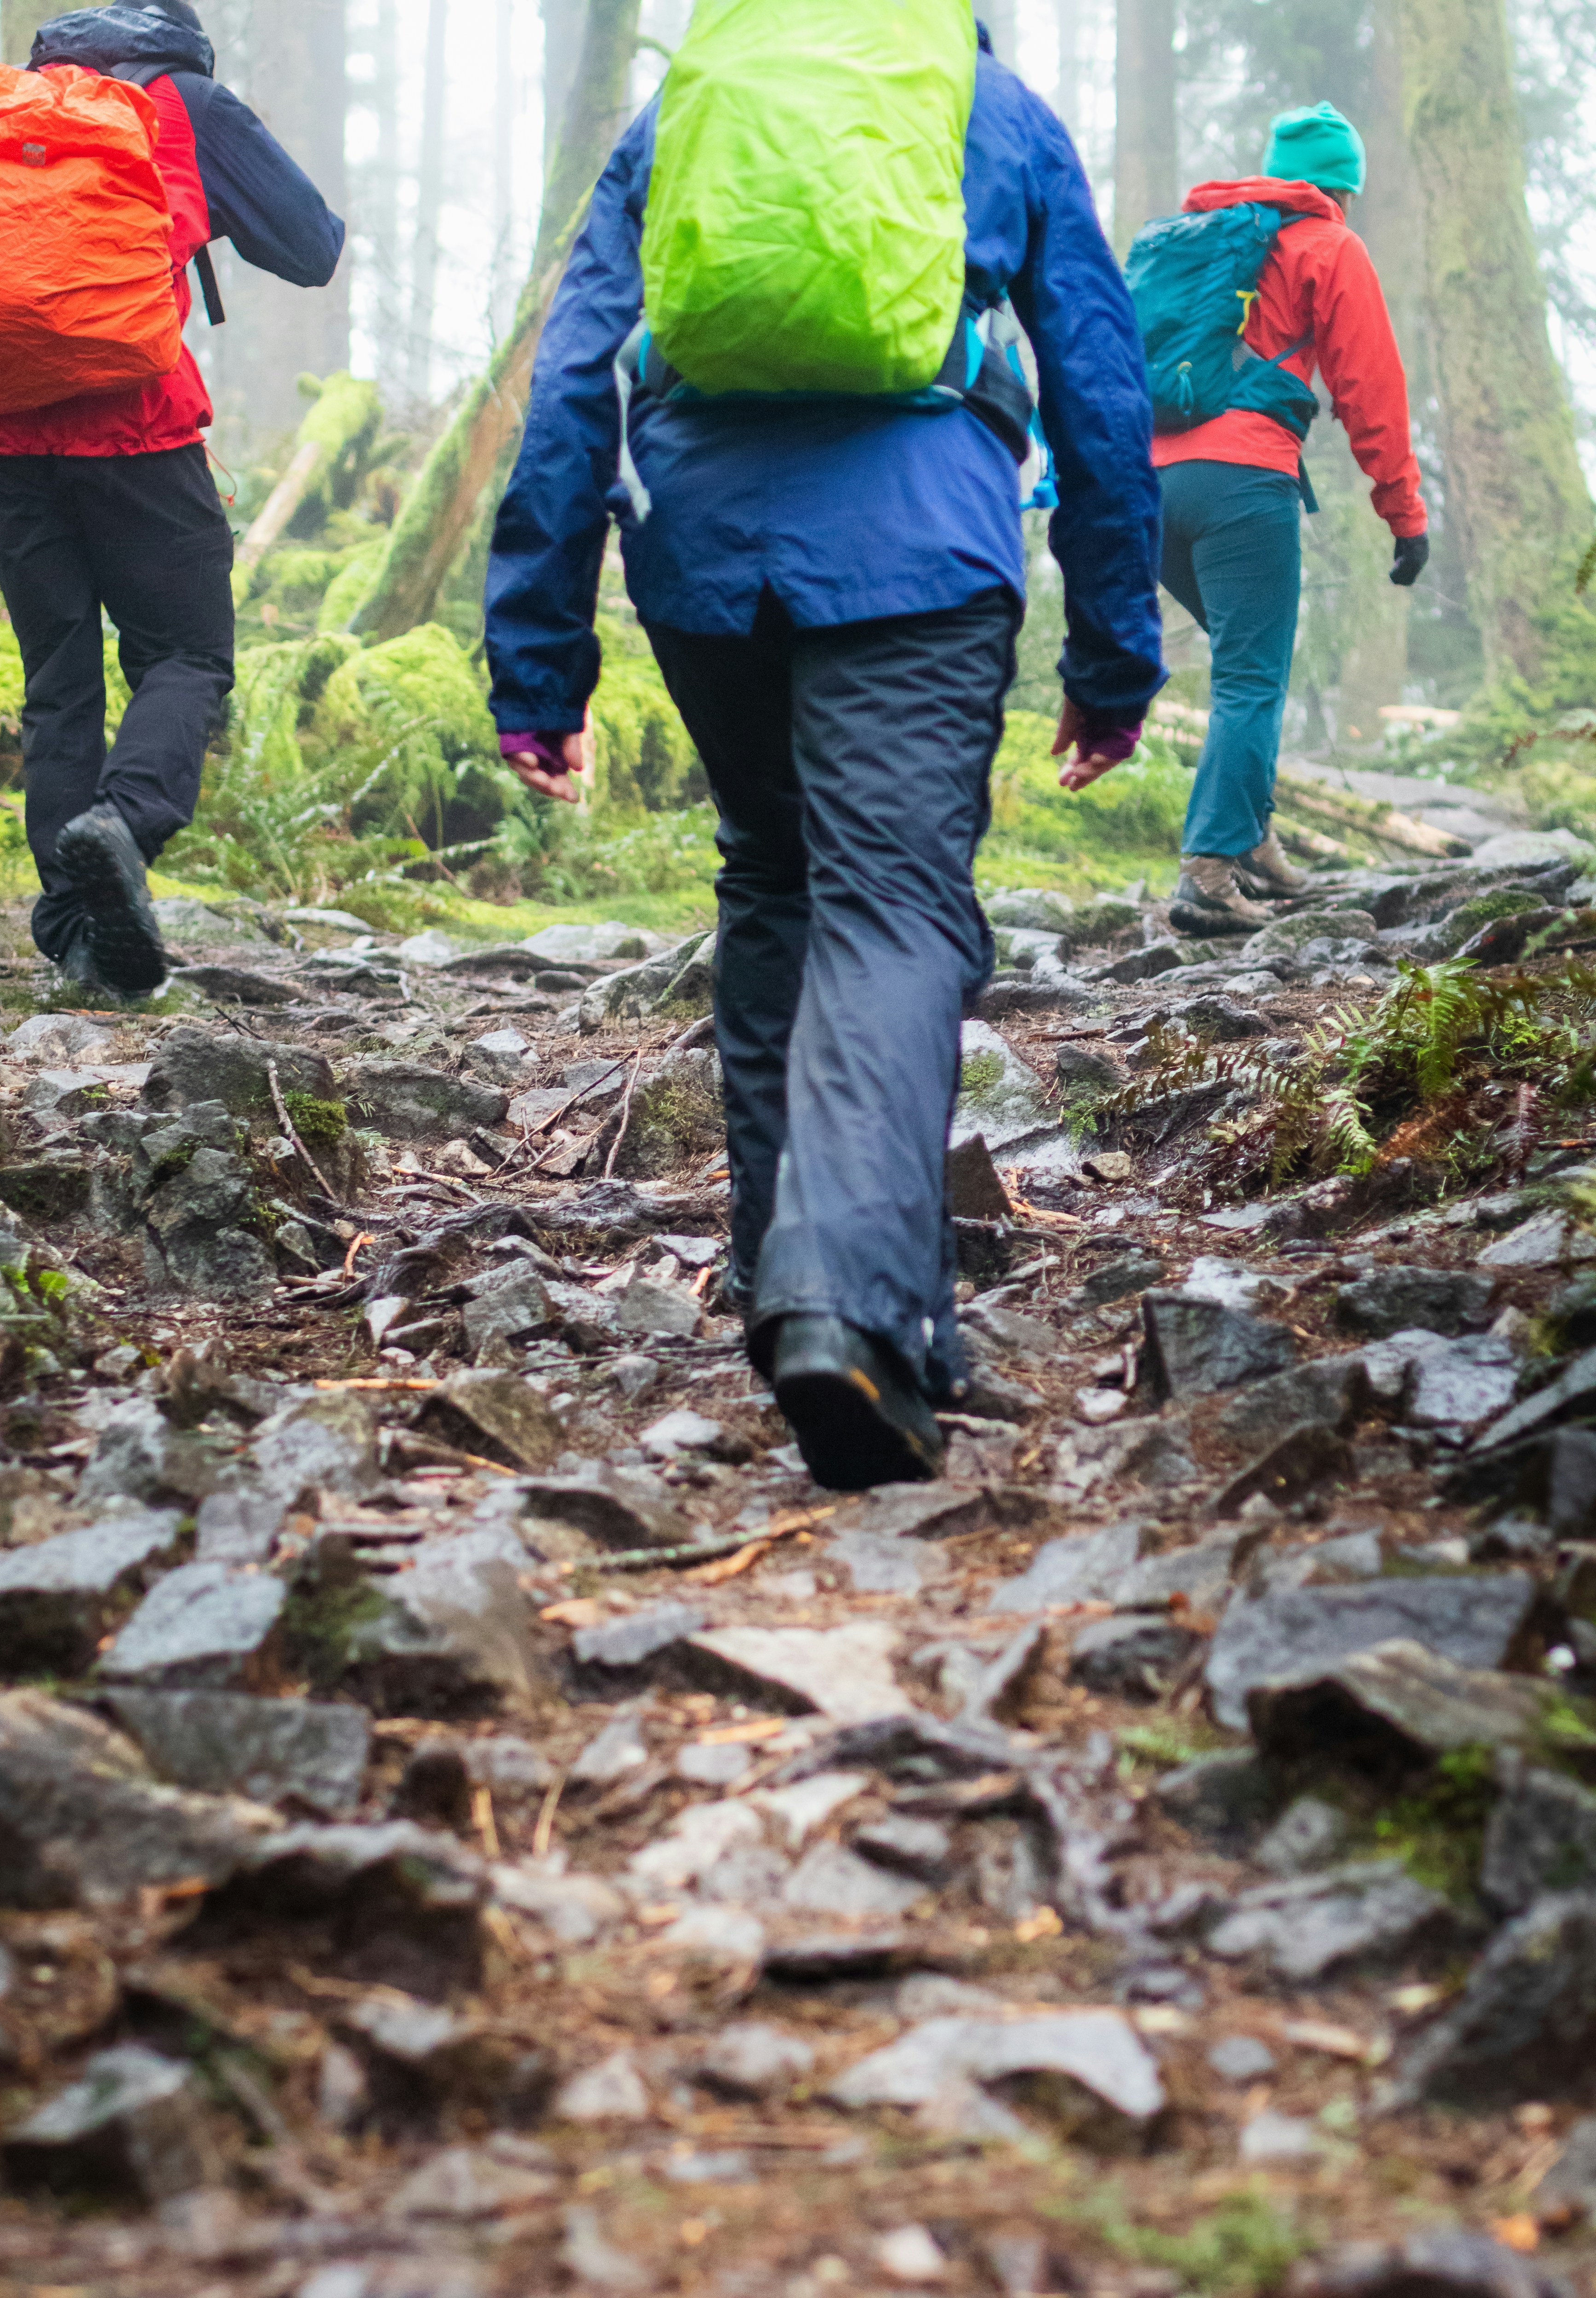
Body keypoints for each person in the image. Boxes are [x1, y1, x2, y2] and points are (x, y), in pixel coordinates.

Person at [484, 19, 1165, 1491]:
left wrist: (539, 658)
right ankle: (844, 1304)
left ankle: (817, 1294)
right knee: (895, 904)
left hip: (707, 556)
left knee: (779, 887)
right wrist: (1115, 649)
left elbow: (575, 378)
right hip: (924, 548)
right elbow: (1101, 383)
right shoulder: (993, 105)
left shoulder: (686, 114)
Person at [0, 0, 344, 995]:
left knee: (59, 678)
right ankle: (124, 826)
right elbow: (311, 249)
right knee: (185, 654)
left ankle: (74, 931)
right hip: (139, 432)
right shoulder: (186, 102)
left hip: (5, 441)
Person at [1102, 101, 1429, 933]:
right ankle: (1209, 870)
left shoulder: (1207, 237)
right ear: (1340, 188)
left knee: (1254, 662)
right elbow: (1370, 392)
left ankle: (1253, 841)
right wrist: (1403, 511)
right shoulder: (1329, 245)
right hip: (1240, 484)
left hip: (1148, 484)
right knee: (1254, 677)